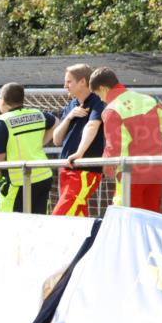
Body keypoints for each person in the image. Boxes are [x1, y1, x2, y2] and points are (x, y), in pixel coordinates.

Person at [89, 67, 162, 212]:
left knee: (127, 216)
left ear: (103, 88)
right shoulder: (147, 100)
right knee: (151, 215)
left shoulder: (112, 110)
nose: (100, 99)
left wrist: (107, 168)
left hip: (130, 173)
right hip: (156, 169)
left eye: (97, 94)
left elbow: (114, 147)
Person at [0, 83, 57, 214]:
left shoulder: (1, 122)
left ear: (2, 100)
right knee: (38, 222)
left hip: (18, 181)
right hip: (43, 177)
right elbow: (56, 122)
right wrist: (40, 142)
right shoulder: (37, 114)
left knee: (10, 223)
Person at [51, 64, 106, 216]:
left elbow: (92, 126)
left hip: (84, 170)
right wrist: (69, 117)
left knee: (60, 215)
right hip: (67, 168)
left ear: (82, 81)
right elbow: (56, 139)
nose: (65, 86)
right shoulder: (71, 105)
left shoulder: (97, 101)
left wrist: (79, 153)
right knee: (77, 217)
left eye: (69, 82)